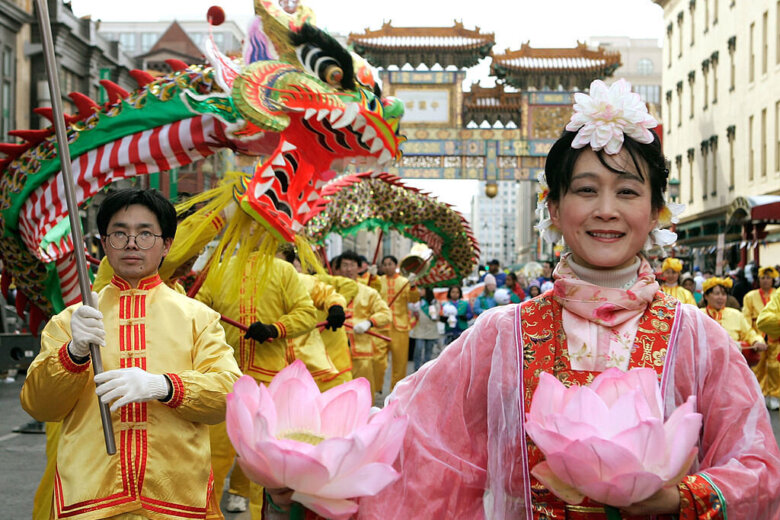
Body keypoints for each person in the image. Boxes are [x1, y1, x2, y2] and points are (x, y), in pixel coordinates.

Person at [354, 79, 780, 517]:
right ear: (554, 207)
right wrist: (311, 470)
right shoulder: (501, 335)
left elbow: (758, 468)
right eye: (586, 189)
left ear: (655, 211)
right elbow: (411, 434)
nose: (606, 209)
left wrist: (678, 498)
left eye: (628, 191)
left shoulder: (697, 339)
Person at [21, 188, 242, 520]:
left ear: (166, 244)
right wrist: (74, 352)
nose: (131, 243)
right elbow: (39, 405)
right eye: (119, 233)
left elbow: (230, 393)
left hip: (175, 495)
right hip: (91, 497)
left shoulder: (197, 317)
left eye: (145, 233)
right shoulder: (73, 320)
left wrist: (164, 387)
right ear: (105, 242)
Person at [332, 251, 391, 395]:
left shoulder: (369, 292)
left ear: (359, 268)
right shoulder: (330, 290)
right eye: (345, 265)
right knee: (336, 392)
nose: (348, 269)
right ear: (338, 269)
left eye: (352, 265)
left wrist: (369, 323)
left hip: (361, 350)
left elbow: (386, 314)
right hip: (333, 350)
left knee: (362, 392)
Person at [701, 277, 766, 367]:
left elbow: (749, 333)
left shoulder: (736, 314)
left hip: (732, 364)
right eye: (716, 294)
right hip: (705, 364)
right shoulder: (699, 314)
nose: (720, 297)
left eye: (724, 294)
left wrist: (757, 341)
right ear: (706, 296)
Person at [377, 255, 420, 390]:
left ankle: (395, 391)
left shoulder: (404, 281)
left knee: (400, 362)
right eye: (385, 264)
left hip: (400, 327)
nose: (387, 266)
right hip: (381, 326)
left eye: (390, 264)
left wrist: (412, 286)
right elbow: (370, 291)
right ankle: (376, 386)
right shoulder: (378, 281)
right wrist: (371, 278)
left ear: (395, 266)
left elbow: (413, 299)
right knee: (378, 360)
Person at [755, 267, 780, 410]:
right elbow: (762, 321)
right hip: (766, 337)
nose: (766, 281)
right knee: (763, 369)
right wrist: (755, 337)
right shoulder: (751, 296)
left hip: (771, 335)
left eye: (768, 278)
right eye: (763, 278)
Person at [409, 287, 440, 371]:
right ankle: (416, 370)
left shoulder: (435, 302)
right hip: (420, 329)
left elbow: (437, 316)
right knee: (418, 350)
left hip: (431, 330)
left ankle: (426, 371)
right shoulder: (418, 302)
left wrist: (434, 315)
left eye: (422, 289)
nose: (420, 291)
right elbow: (411, 313)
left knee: (429, 351)